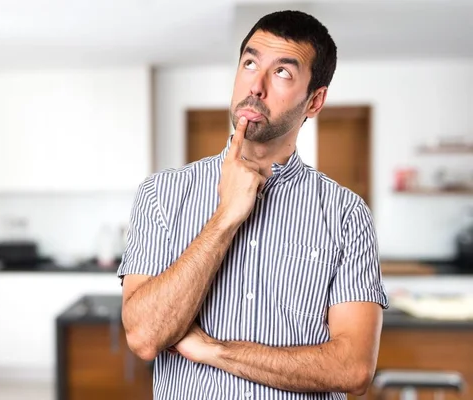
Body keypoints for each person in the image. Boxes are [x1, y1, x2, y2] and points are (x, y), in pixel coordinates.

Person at [117, 9, 389, 400]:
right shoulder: (162, 193)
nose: (255, 86)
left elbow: (354, 368)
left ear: (314, 101)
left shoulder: (346, 214)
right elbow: (144, 336)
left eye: (282, 72)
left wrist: (215, 351)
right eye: (249, 63)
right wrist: (226, 217)